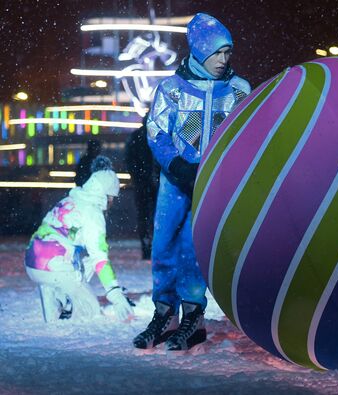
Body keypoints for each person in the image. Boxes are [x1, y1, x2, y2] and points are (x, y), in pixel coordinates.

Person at [133, 13, 251, 350]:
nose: (224, 60)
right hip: (175, 182)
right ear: (199, 51)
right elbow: (155, 132)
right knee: (164, 245)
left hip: (213, 186)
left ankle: (192, 319)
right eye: (217, 52)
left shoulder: (239, 90)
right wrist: (178, 165)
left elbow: (250, 134)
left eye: (228, 52)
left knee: (193, 250)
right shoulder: (171, 89)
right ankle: (164, 315)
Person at [25, 156, 134, 322]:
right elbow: (100, 259)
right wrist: (115, 293)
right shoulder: (93, 214)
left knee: (86, 261)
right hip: (53, 265)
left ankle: (58, 294)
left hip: (33, 261)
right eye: (112, 197)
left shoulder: (71, 200)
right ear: (105, 195)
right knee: (90, 313)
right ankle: (62, 295)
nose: (112, 202)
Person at [125, 114, 159, 260]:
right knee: (152, 216)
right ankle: (150, 246)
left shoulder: (136, 138)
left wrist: (138, 177)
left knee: (144, 216)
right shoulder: (153, 136)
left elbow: (130, 160)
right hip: (150, 183)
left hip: (143, 183)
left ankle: (146, 246)